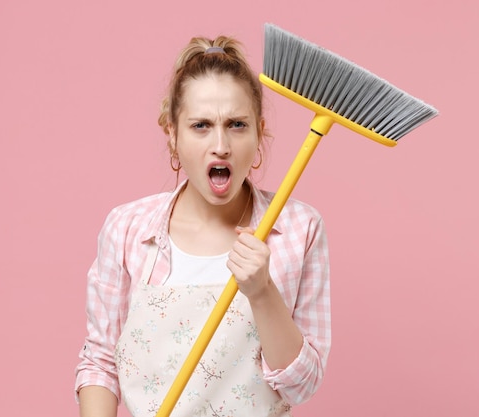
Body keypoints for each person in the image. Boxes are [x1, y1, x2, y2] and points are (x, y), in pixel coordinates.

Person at [75, 33, 331, 417]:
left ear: (260, 132)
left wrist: (261, 292)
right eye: (201, 126)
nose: (221, 145)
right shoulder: (127, 229)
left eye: (237, 125)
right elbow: (100, 363)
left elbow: (301, 385)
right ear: (172, 133)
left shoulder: (299, 230)